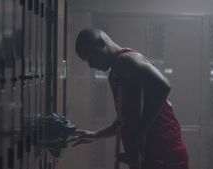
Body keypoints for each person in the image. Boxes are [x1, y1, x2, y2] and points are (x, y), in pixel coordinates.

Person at [69, 28, 189, 169]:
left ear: (101, 43)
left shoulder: (125, 61)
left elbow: (162, 86)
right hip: (150, 154)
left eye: (90, 56)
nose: (90, 65)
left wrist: (140, 132)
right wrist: (96, 135)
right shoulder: (115, 73)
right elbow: (124, 120)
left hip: (164, 154)